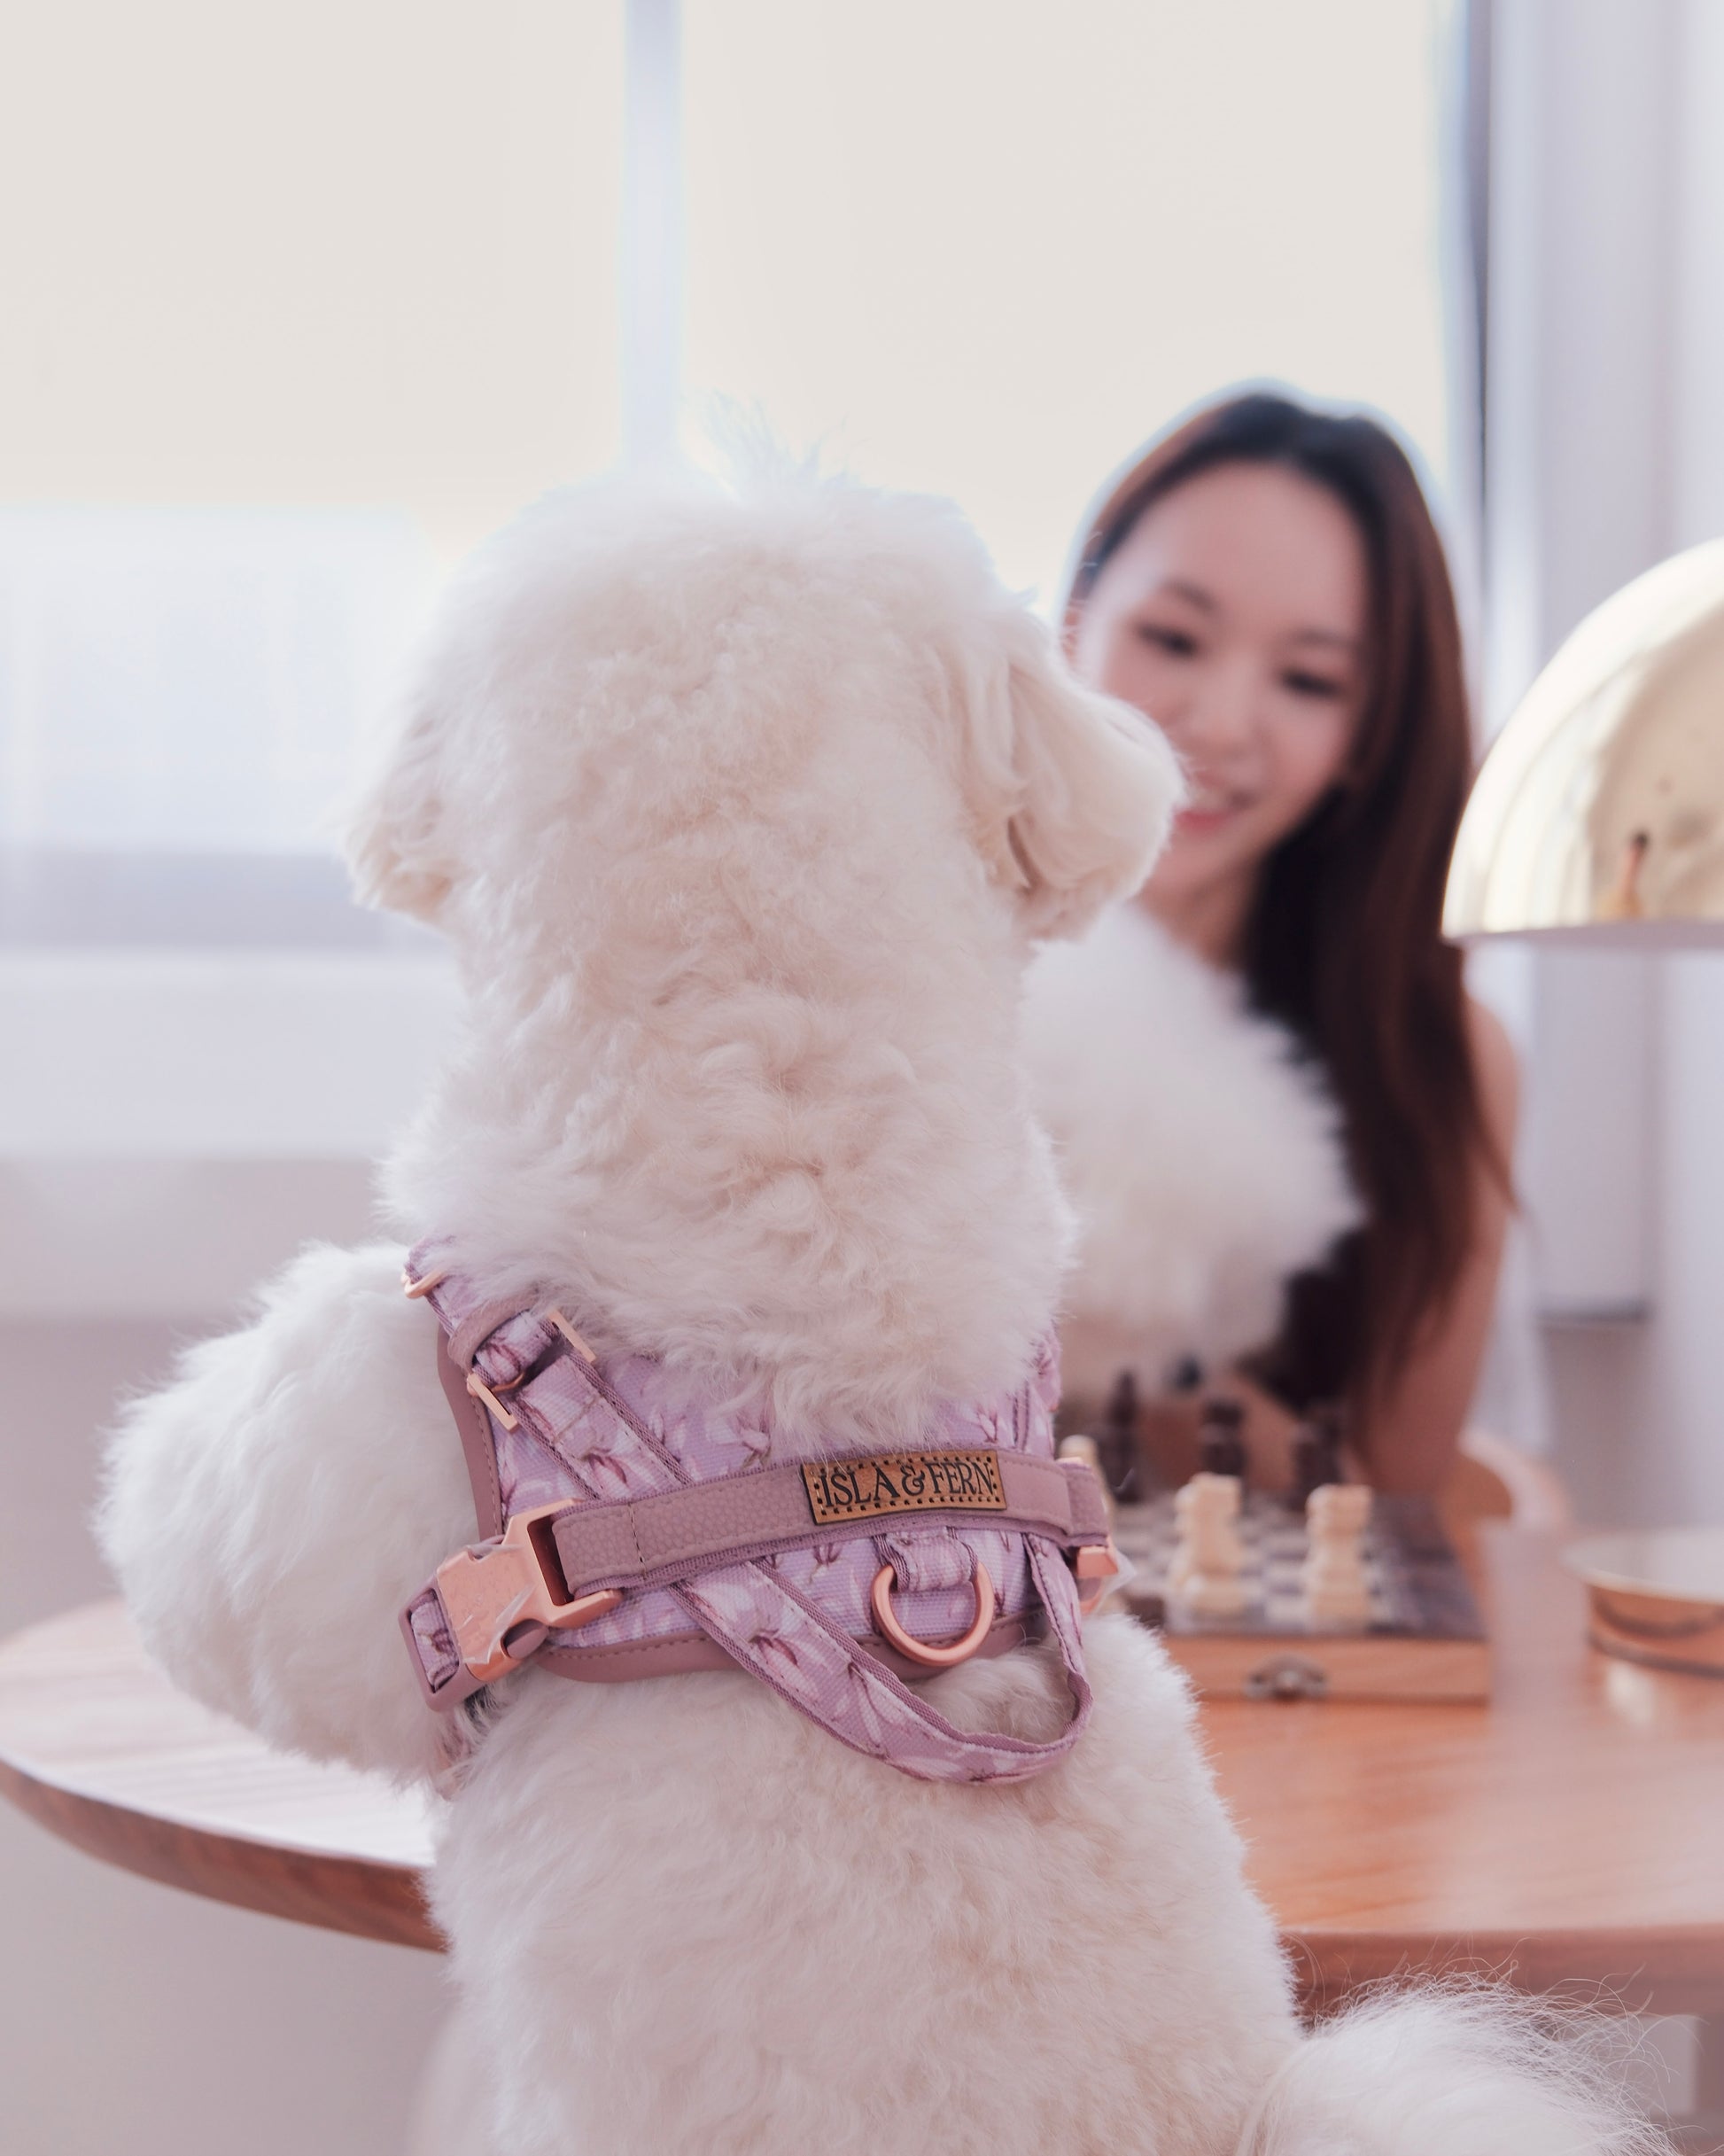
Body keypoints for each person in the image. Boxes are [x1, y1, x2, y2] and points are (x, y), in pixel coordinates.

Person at [1055, 391, 1516, 1498]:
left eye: (1307, 680)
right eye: (1171, 638)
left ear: (1369, 736)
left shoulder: (1438, 1055)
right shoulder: (902, 976)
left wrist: (1145, 1359)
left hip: (1259, 1655)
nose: (1217, 722)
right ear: (1072, 625)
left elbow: (1393, 1505)